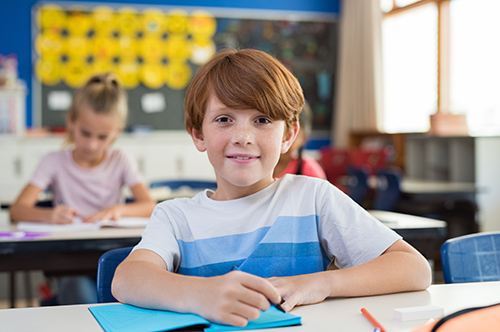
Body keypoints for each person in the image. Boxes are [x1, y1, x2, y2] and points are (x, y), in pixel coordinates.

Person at [112, 49, 431, 327]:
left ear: (289, 135)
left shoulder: (313, 198)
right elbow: (127, 278)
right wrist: (200, 294)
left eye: (262, 120)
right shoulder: (175, 216)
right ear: (198, 134)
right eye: (224, 119)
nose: (243, 137)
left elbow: (414, 268)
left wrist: (321, 283)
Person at [10, 72, 156, 304]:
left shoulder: (121, 160)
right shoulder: (53, 161)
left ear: (117, 131)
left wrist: (119, 210)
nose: (91, 144)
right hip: (70, 262)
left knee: (124, 293)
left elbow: (150, 206)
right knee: (79, 291)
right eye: (85, 133)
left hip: (112, 257)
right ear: (71, 121)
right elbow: (17, 210)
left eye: (102, 137)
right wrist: (49, 215)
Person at [273, 101, 326, 179]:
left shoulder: (310, 171)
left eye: (291, 134)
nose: (284, 139)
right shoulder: (257, 165)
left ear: (304, 138)